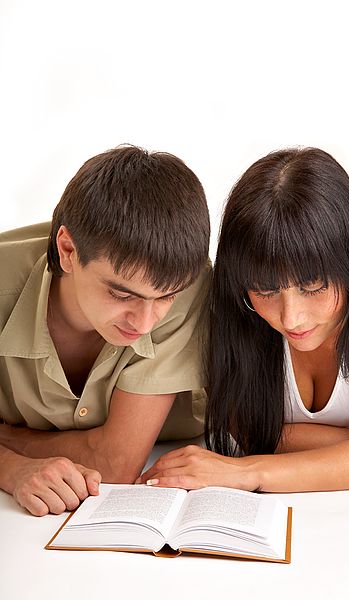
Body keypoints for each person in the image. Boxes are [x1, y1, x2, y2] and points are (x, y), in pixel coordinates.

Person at [139, 146, 349, 493]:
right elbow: (249, 431)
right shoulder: (227, 306)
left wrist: (247, 472)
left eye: (313, 286)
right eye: (265, 290)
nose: (291, 318)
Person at [0, 145, 211, 515]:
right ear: (67, 250)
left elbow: (115, 465)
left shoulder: (189, 283)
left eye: (165, 298)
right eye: (120, 293)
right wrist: (11, 468)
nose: (145, 323)